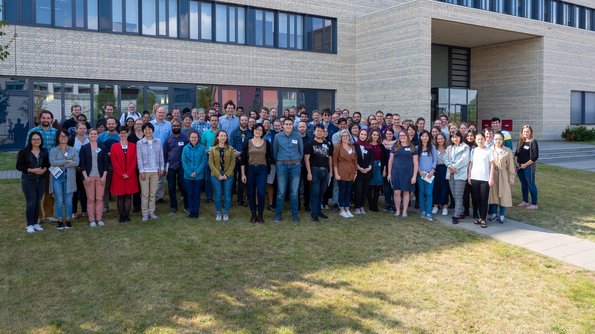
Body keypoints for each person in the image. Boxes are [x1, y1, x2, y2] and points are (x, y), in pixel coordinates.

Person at [27, 110, 57, 222]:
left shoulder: (55, 132)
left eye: (48, 118)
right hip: (37, 166)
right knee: (37, 192)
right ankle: (38, 216)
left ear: (51, 120)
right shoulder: (33, 131)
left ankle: (49, 214)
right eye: (44, 118)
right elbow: (27, 149)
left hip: (52, 166)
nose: (46, 120)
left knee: (50, 191)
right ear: (40, 119)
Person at [17, 132, 49, 233]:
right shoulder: (24, 152)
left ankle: (35, 223)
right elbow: (19, 166)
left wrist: (44, 169)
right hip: (28, 180)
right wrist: (32, 170)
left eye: (38, 139)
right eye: (34, 139)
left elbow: (47, 164)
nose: (36, 141)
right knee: (31, 203)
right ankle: (29, 224)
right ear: (30, 140)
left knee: (37, 202)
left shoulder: (44, 151)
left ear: (41, 140)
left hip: (41, 180)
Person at [273, 118, 304, 223]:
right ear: (282, 125)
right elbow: (275, 151)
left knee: (294, 192)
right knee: (281, 192)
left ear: (292, 125)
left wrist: (297, 160)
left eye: (290, 124)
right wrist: (280, 161)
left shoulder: (298, 136)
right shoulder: (277, 137)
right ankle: (278, 215)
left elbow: (301, 151)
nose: (288, 126)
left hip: (295, 165)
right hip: (282, 165)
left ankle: (295, 215)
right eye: (286, 124)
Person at [240, 124, 272, 223]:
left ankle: (260, 215)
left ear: (263, 132)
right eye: (256, 129)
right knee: (251, 193)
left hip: (262, 170)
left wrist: (268, 170)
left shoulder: (266, 143)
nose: (258, 131)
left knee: (261, 193)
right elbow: (243, 160)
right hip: (250, 169)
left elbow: (269, 157)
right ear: (253, 131)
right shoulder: (248, 143)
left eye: (260, 130)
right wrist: (243, 174)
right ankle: (253, 214)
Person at [49, 129, 79, 229]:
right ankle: (60, 220)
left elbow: (76, 162)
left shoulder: (73, 150)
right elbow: (52, 162)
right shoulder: (53, 150)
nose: (63, 138)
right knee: (59, 200)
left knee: (68, 200)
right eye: (61, 136)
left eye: (65, 136)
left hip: (69, 177)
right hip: (57, 177)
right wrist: (67, 161)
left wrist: (61, 162)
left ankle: (68, 220)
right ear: (57, 138)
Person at [79, 128, 109, 227]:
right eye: (91, 134)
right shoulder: (84, 148)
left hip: (100, 177)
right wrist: (85, 176)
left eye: (95, 134)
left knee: (100, 198)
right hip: (88, 176)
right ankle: (91, 219)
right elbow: (82, 163)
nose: (93, 135)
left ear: (97, 135)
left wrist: (104, 176)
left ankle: (99, 218)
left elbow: (106, 163)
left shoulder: (103, 147)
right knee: (91, 198)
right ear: (89, 135)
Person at [136, 123, 165, 221]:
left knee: (153, 193)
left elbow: (161, 155)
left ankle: (151, 211)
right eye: (145, 129)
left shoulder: (158, 141)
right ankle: (145, 213)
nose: (147, 131)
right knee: (145, 194)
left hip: (155, 171)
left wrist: (161, 168)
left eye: (149, 129)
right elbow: (139, 158)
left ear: (152, 130)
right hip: (145, 171)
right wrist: (141, 171)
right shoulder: (140, 143)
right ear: (143, 131)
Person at [304, 124, 333, 222]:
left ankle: (319, 211)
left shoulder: (327, 144)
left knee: (322, 192)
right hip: (314, 170)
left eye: (322, 130)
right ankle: (314, 214)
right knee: (315, 193)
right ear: (314, 132)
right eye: (318, 130)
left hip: (325, 171)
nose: (320, 132)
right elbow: (306, 159)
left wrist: (331, 171)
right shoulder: (310, 143)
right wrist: (309, 173)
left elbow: (330, 158)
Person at [110, 126, 138, 223]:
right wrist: (122, 173)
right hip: (118, 176)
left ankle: (127, 215)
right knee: (120, 196)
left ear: (128, 133)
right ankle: (121, 216)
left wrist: (128, 173)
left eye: (125, 133)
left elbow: (134, 161)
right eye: (121, 133)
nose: (123, 135)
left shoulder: (133, 146)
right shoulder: (114, 146)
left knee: (128, 196)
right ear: (118, 134)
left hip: (130, 175)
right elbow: (114, 162)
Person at [388, 130, 418, 218]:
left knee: (406, 192)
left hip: (408, 173)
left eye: (404, 135)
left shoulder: (413, 148)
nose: (402, 137)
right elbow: (390, 161)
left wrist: (414, 176)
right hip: (396, 173)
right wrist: (389, 174)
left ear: (407, 136)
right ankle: (397, 210)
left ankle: (404, 211)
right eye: (400, 135)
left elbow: (416, 163)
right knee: (396, 192)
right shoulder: (395, 147)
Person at [467, 132, 494, 228]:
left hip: (485, 179)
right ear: (475, 140)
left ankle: (483, 219)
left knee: (484, 199)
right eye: (478, 139)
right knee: (476, 199)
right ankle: (479, 217)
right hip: (474, 178)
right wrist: (469, 176)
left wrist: (491, 178)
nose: (480, 141)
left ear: (485, 139)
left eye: (482, 139)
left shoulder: (489, 151)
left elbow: (492, 165)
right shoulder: (473, 150)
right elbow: (471, 164)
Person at [488, 132, 516, 224]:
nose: (498, 141)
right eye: (496, 139)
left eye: (500, 139)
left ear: (503, 140)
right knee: (494, 195)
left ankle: (502, 215)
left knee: (503, 195)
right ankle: (494, 214)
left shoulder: (507, 151)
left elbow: (511, 166)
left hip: (503, 175)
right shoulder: (490, 150)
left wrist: (511, 177)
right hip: (493, 174)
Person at [443, 131, 470, 224]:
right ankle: (461, 210)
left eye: (456, 137)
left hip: (460, 173)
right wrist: (450, 166)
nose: (455, 139)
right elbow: (445, 158)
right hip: (451, 173)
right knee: (454, 194)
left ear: (460, 137)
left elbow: (464, 160)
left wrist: (454, 167)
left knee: (458, 194)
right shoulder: (449, 148)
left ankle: (456, 214)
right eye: (453, 137)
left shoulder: (465, 147)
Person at [209, 130, 236, 222]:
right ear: (217, 137)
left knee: (228, 194)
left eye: (225, 136)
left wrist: (227, 174)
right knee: (218, 194)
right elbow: (211, 163)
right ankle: (219, 212)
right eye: (221, 136)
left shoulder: (230, 149)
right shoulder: (212, 149)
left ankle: (226, 212)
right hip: (215, 175)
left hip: (228, 175)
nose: (223, 137)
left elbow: (233, 162)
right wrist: (218, 174)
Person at [163, 119, 188, 214]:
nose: (176, 127)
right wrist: (164, 168)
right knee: (171, 187)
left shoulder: (185, 139)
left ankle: (187, 206)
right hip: (170, 167)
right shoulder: (168, 139)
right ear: (171, 127)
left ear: (180, 127)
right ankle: (173, 207)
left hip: (182, 166)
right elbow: (164, 154)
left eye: (178, 125)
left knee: (184, 187)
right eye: (174, 126)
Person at [332, 129, 358, 218]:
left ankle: (347, 208)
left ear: (349, 137)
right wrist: (336, 174)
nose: (345, 137)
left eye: (347, 136)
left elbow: (355, 160)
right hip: (341, 171)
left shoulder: (352, 147)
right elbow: (334, 162)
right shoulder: (337, 146)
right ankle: (341, 209)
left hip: (351, 171)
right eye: (343, 136)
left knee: (348, 191)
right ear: (341, 137)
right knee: (342, 191)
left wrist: (355, 172)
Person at [182, 131, 207, 219]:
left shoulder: (202, 148)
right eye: (192, 137)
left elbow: (203, 161)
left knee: (196, 194)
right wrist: (189, 173)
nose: (194, 139)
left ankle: (196, 212)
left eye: (195, 137)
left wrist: (196, 172)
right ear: (189, 138)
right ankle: (191, 211)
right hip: (187, 176)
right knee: (190, 194)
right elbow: (184, 162)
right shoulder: (185, 148)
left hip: (198, 176)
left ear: (198, 138)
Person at [98, 117, 120, 213]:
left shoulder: (120, 136)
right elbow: (97, 150)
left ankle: (120, 205)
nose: (111, 125)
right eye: (109, 124)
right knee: (105, 186)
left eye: (113, 123)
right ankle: (105, 206)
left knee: (119, 186)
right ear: (106, 125)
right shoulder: (101, 136)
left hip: (118, 165)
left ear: (116, 125)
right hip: (105, 165)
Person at [515, 125, 539, 209]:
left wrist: (525, 165)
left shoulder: (533, 142)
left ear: (531, 132)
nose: (525, 133)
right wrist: (516, 163)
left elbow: (535, 157)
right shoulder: (521, 141)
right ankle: (525, 201)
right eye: (524, 131)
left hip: (529, 167)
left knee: (531, 184)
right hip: (520, 167)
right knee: (523, 184)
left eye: (527, 131)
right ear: (522, 132)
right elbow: (516, 154)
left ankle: (534, 204)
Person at [231, 116, 253, 207]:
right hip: (234, 159)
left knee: (242, 180)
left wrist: (242, 154)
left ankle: (240, 200)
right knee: (231, 180)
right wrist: (236, 152)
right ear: (239, 121)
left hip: (245, 160)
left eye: (245, 120)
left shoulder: (251, 133)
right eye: (242, 120)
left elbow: (252, 145)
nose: (244, 121)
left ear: (248, 121)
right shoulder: (234, 132)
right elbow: (231, 144)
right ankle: (229, 199)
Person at [68, 122, 89, 220]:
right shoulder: (72, 141)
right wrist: (75, 165)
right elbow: (67, 155)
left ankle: (85, 210)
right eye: (80, 128)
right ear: (76, 130)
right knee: (75, 191)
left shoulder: (89, 140)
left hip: (86, 169)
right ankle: (74, 211)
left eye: (84, 128)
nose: (82, 130)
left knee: (85, 190)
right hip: (74, 169)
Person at [417, 130, 437, 221]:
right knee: (421, 192)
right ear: (420, 137)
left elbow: (435, 160)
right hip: (420, 174)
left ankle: (429, 212)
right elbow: (415, 161)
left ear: (429, 137)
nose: (424, 138)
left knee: (429, 193)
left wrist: (433, 170)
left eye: (426, 136)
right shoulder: (417, 148)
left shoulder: (432, 147)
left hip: (430, 175)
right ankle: (423, 211)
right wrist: (419, 171)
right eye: (422, 136)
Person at [353, 129, 372, 215]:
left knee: (365, 190)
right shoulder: (354, 145)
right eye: (361, 134)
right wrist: (359, 168)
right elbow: (353, 159)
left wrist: (369, 168)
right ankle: (357, 207)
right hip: (358, 171)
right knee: (358, 190)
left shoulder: (369, 147)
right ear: (359, 135)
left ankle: (362, 206)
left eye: (365, 135)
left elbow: (371, 159)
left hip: (367, 172)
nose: (363, 136)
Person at [127, 118, 144, 213]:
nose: (139, 125)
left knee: (144, 185)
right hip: (134, 164)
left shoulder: (147, 135)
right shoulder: (131, 137)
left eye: (141, 123)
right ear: (134, 125)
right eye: (137, 123)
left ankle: (145, 205)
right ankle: (136, 205)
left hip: (145, 165)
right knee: (136, 185)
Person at [367, 129, 385, 212]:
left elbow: (385, 159)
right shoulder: (367, 145)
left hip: (379, 167)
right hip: (370, 167)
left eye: (377, 135)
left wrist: (384, 170)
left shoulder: (381, 146)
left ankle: (375, 204)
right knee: (370, 187)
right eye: (374, 135)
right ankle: (370, 204)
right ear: (371, 135)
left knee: (377, 186)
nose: (375, 136)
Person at [432, 133, 450, 216]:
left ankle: (445, 207)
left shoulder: (448, 148)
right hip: (436, 169)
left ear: (444, 139)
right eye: (438, 139)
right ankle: (435, 205)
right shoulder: (433, 148)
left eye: (441, 138)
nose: (440, 140)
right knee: (436, 187)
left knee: (445, 188)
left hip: (445, 169)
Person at [463, 130, 477, 218]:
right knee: (465, 194)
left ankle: (475, 211)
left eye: (471, 136)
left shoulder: (477, 146)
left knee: (475, 194)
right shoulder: (464, 146)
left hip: (475, 173)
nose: (469, 137)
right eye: (468, 136)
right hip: (465, 173)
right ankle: (466, 210)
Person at [382, 128, 396, 212]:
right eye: (387, 133)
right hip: (385, 168)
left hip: (395, 168)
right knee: (386, 188)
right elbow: (382, 158)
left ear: (393, 134)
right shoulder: (382, 144)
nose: (389, 135)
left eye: (391, 133)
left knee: (394, 187)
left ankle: (394, 204)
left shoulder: (397, 143)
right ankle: (388, 203)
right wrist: (384, 170)